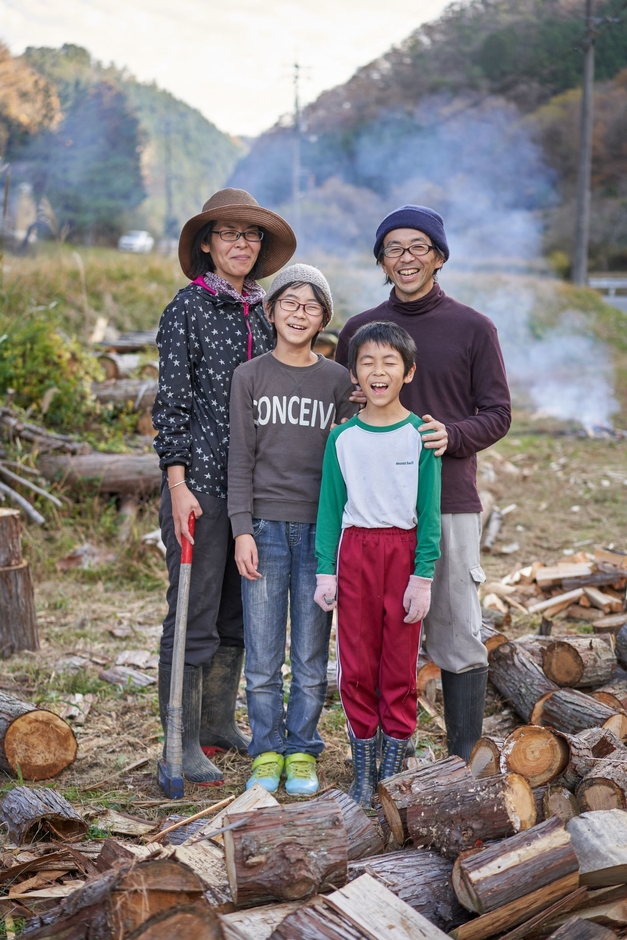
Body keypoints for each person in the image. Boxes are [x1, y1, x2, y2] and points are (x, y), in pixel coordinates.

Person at [335, 205, 511, 762]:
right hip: (370, 511)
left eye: (418, 247)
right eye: (394, 248)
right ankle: (390, 750)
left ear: (438, 257)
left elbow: (498, 413)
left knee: (456, 627)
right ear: (381, 261)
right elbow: (343, 411)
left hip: (448, 501)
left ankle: (461, 759)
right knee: (379, 633)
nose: (406, 257)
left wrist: (451, 435)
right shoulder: (360, 330)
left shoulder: (473, 328)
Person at [152, 188, 296, 786]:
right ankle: (179, 742)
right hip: (202, 486)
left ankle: (215, 724)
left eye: (252, 234)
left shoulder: (264, 313)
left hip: (253, 491)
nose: (242, 243)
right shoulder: (186, 308)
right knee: (195, 612)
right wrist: (177, 483)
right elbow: (172, 403)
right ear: (207, 244)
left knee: (238, 613)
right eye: (229, 233)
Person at [228, 264, 355, 796]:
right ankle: (265, 749)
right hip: (263, 528)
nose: (300, 314)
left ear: (324, 318)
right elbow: (240, 458)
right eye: (290, 303)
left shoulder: (338, 381)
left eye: (311, 306)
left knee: (309, 652)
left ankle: (301, 748)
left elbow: (352, 456)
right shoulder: (250, 376)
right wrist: (241, 529)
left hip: (320, 532)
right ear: (271, 309)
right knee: (261, 653)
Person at [314, 321, 442, 807]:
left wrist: (422, 576)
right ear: (354, 374)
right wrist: (325, 570)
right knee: (357, 663)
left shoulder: (420, 436)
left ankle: (392, 767)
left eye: (390, 362)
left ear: (408, 372)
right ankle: (363, 769)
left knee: (398, 666)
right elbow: (330, 508)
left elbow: (429, 512)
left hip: (402, 552)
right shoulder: (343, 439)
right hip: (356, 552)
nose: (378, 371)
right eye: (367, 362)